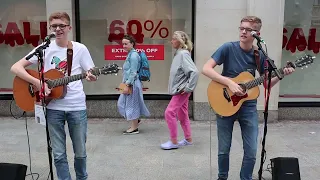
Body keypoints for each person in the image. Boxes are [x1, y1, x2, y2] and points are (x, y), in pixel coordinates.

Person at [202, 16, 295, 180]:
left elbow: (266, 84)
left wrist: (281, 75)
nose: (243, 32)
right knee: (224, 149)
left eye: (248, 29)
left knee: (251, 151)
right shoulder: (227, 48)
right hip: (225, 102)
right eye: (241, 28)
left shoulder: (260, 54)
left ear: (257, 33)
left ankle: (246, 178)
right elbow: (206, 68)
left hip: (248, 106)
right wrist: (229, 83)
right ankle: (221, 177)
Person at [10, 12, 96, 180]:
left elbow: (91, 72)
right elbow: (16, 67)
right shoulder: (44, 48)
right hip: (52, 107)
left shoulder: (79, 49)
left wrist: (93, 76)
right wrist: (37, 83)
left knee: (80, 152)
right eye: (54, 26)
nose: (58, 29)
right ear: (50, 29)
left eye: (62, 25)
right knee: (58, 154)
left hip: (76, 107)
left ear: (69, 28)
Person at [160, 31, 199, 150]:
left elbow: (194, 72)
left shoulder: (183, 54)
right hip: (180, 90)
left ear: (180, 41)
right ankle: (188, 139)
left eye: (173, 39)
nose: (171, 41)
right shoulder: (179, 54)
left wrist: (187, 88)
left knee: (169, 112)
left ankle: (174, 141)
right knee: (182, 114)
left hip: (181, 91)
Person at [117, 34, 150, 135]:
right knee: (122, 103)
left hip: (131, 83)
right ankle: (135, 121)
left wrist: (127, 85)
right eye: (123, 44)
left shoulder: (134, 55)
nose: (124, 46)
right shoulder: (130, 54)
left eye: (126, 44)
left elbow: (133, 72)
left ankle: (134, 127)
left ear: (132, 44)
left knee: (131, 105)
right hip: (127, 82)